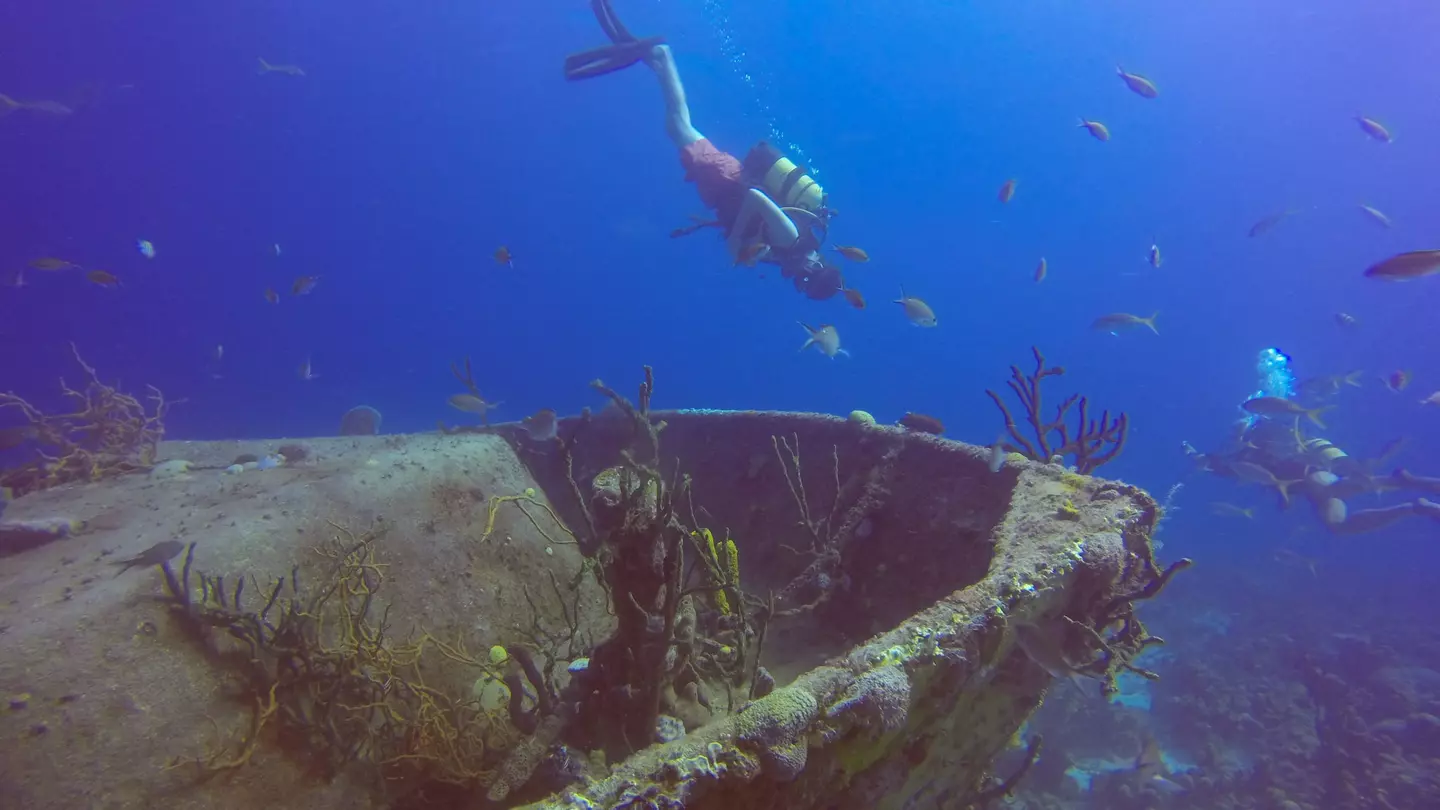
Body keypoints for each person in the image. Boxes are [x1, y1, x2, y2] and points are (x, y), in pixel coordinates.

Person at [564, 0, 845, 300]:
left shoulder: (788, 250)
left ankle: (658, 62)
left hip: (722, 185)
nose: (798, 281)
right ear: (816, 266)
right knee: (677, 125)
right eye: (806, 280)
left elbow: (756, 227)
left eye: (802, 286)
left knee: (677, 126)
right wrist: (736, 240)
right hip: (727, 179)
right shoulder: (792, 239)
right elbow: (756, 198)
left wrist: (750, 252)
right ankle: (662, 56)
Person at [1185, 348, 1440, 535]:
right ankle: (1413, 508)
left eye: (1238, 429)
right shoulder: (1241, 458)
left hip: (1313, 473)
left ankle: (1410, 482)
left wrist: (1343, 462)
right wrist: (1197, 457)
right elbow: (1220, 467)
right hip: (1305, 488)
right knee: (1338, 526)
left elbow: (1314, 443)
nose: (1235, 435)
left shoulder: (1268, 430)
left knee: (1337, 487)